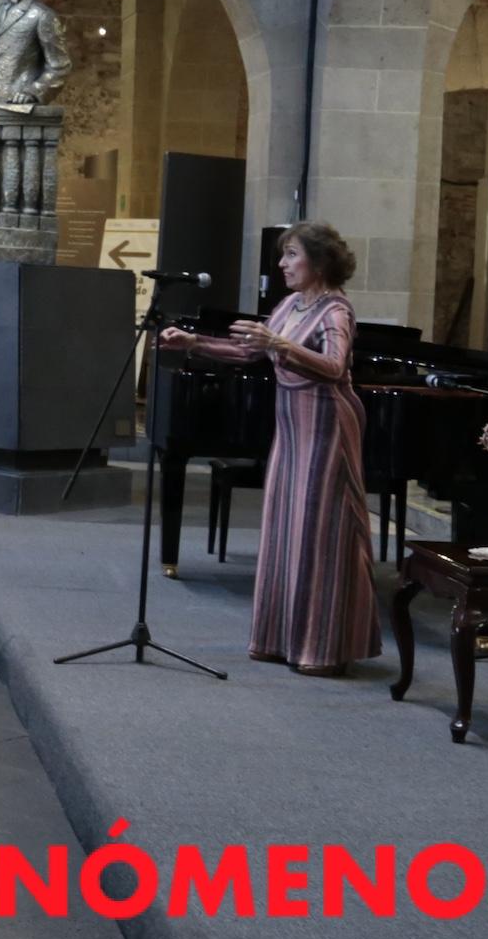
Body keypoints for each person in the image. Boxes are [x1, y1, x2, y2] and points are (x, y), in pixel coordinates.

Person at [158, 220, 379, 677]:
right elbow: (247, 354)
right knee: (285, 529)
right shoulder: (291, 305)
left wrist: (277, 342)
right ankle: (280, 639)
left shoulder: (336, 311)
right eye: (284, 255)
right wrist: (194, 341)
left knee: (317, 535)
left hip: (327, 430)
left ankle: (321, 648)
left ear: (318, 262)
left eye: (292, 255)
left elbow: (335, 367)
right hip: (292, 431)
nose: (282, 264)